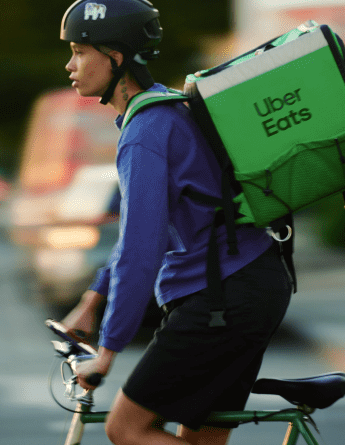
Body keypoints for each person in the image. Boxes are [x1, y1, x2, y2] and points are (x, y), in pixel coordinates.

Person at [56, 1, 293, 444]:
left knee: (127, 428)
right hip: (248, 286)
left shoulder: (146, 132)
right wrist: (93, 299)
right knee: (200, 439)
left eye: (80, 52)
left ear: (115, 57)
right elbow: (141, 234)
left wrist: (107, 351)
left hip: (222, 299)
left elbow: (141, 251)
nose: (70, 65)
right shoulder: (165, 112)